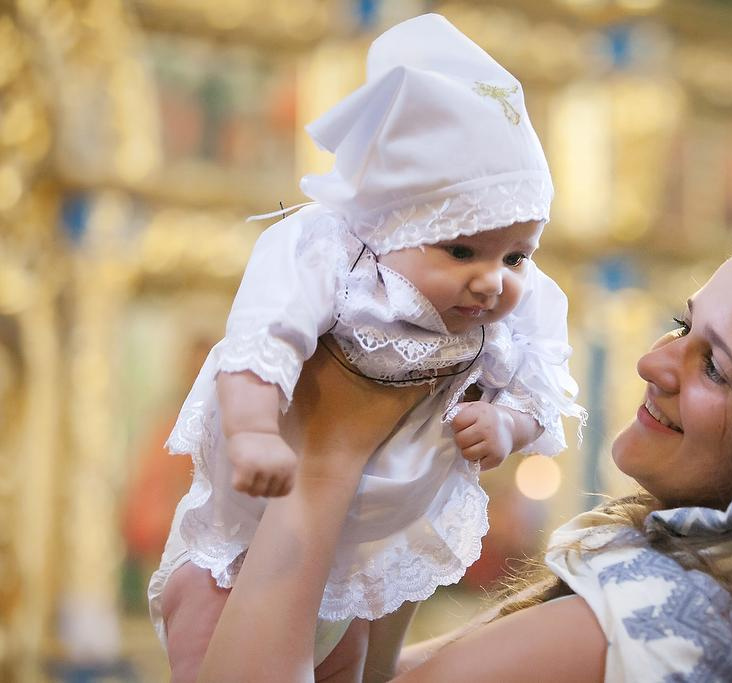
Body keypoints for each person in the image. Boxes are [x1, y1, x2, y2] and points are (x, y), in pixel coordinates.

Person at [197, 211, 732, 682]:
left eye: (714, 365)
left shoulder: (655, 629)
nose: (652, 362)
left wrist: (330, 457)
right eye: (683, 324)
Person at [148, 13, 586, 682]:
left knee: (348, 667)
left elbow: (537, 387)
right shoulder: (334, 255)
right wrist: (253, 430)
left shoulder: (509, 305)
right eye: (461, 249)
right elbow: (261, 339)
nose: (492, 279)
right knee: (212, 644)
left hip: (363, 562)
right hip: (248, 541)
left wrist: (506, 422)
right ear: (391, 223)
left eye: (518, 255)